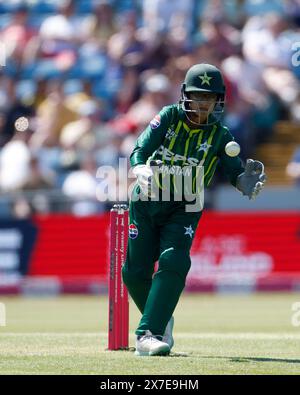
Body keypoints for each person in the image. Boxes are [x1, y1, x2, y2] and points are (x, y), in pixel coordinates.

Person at [122, 63, 266, 356]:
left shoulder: (220, 136)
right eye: (198, 96)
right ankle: (160, 316)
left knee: (175, 260)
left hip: (185, 205)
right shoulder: (169, 116)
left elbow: (234, 172)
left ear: (218, 101)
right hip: (147, 200)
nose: (203, 104)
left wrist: (244, 182)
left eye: (209, 98)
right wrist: (140, 167)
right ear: (185, 95)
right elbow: (140, 149)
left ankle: (149, 334)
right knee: (134, 272)